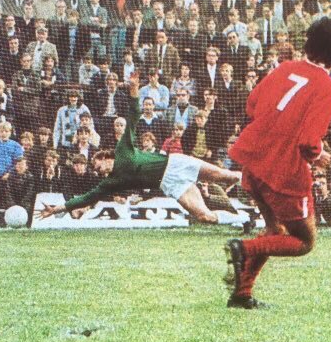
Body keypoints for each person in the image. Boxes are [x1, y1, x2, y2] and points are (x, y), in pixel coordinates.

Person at [224, 18, 331, 309]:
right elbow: (308, 142)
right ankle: (243, 248)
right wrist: (320, 154)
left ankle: (242, 294)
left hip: (254, 158)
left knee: (274, 231)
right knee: (303, 242)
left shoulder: (284, 67)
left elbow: (252, 104)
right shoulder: (328, 88)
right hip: (283, 169)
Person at [36, 72, 248, 226]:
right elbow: (85, 198)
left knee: (226, 176)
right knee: (205, 216)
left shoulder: (123, 149)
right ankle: (244, 220)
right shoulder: (111, 182)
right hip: (170, 184)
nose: (97, 169)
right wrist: (57, 209)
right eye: (96, 169)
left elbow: (133, 116)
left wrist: (134, 90)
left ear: (106, 156)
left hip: (176, 163)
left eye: (97, 164)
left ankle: (262, 178)